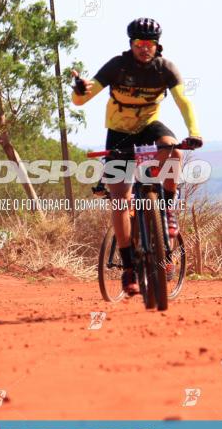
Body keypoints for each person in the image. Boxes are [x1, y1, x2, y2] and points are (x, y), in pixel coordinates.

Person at [72, 18, 202, 295]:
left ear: (157, 45)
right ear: (131, 44)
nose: (145, 49)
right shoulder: (117, 66)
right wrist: (79, 91)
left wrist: (194, 132)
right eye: (139, 44)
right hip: (118, 133)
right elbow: (83, 99)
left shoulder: (164, 68)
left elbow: (183, 101)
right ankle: (129, 268)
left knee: (173, 151)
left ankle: (167, 210)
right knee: (120, 201)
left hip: (149, 127)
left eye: (150, 44)